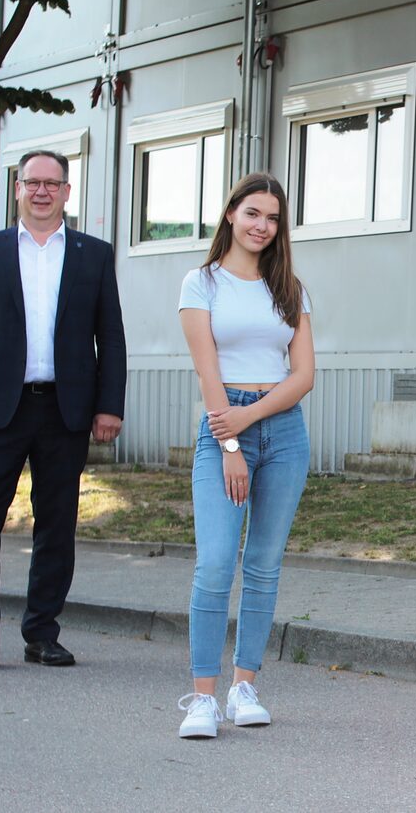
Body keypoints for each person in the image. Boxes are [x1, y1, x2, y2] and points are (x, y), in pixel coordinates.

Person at [0, 150, 125, 673]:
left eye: (53, 183)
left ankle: (42, 634)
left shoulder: (93, 255)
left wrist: (109, 406)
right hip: (0, 410)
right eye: (32, 182)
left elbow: (109, 337)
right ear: (17, 189)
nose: (42, 191)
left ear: (68, 191)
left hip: (65, 411)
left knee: (57, 525)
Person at [175, 173, 315, 739]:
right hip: (222, 427)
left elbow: (303, 376)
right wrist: (230, 442)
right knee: (214, 565)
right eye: (253, 213)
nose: (262, 225)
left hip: (282, 431)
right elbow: (209, 371)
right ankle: (202, 698)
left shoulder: (291, 290)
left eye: (273, 218)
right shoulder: (200, 283)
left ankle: (245, 686)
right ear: (231, 213)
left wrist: (251, 418)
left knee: (261, 565)